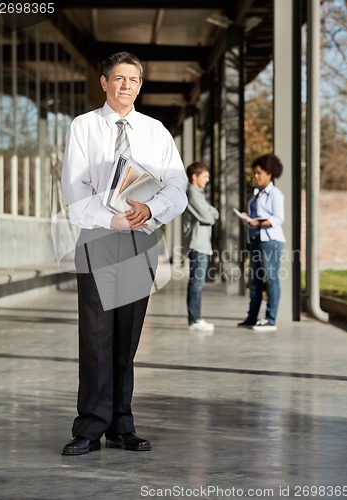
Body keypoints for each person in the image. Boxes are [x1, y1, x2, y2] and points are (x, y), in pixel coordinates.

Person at [61, 52, 187, 455]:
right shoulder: (84, 127)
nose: (126, 86)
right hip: (99, 237)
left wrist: (151, 209)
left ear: (139, 85)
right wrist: (111, 219)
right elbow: (74, 188)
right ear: (104, 82)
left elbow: (177, 187)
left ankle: (121, 424)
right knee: (96, 337)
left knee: (127, 339)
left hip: (141, 239)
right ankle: (89, 427)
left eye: (133, 80)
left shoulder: (156, 132)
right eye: (119, 78)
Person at [237, 153, 285, 332]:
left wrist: (258, 223)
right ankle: (252, 317)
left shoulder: (275, 194)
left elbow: (278, 218)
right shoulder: (256, 194)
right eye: (254, 173)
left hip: (270, 241)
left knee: (271, 280)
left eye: (259, 173)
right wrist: (247, 219)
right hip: (256, 240)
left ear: (270, 173)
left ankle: (270, 319)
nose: (256, 176)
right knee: (255, 280)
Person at [183, 162, 219, 332]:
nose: (207, 179)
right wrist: (211, 212)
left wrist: (211, 211)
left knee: (198, 283)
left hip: (202, 244)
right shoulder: (192, 193)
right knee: (197, 283)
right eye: (205, 176)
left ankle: (195, 318)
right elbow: (209, 216)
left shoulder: (198, 193)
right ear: (194, 176)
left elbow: (212, 212)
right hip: (198, 244)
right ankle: (194, 319)